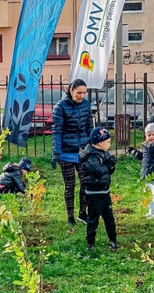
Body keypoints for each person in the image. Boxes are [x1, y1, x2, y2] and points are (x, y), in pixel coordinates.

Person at [52, 79, 94, 226]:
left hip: (83, 151)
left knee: (86, 183)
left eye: (84, 93)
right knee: (70, 185)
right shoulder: (60, 107)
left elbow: (90, 128)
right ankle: (70, 216)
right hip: (66, 152)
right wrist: (56, 152)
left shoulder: (86, 105)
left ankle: (83, 213)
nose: (81, 96)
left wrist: (93, 147)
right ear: (71, 91)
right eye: (79, 93)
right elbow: (57, 131)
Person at [80, 128, 119, 252]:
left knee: (110, 220)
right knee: (93, 220)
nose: (110, 144)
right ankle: (90, 243)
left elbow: (107, 172)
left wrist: (111, 165)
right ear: (100, 143)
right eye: (108, 141)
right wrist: (108, 165)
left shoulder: (104, 153)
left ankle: (113, 241)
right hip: (94, 193)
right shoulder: (91, 156)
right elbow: (98, 171)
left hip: (104, 192)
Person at [127, 122, 154, 218]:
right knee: (148, 194)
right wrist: (135, 153)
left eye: (153, 135)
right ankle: (151, 211)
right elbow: (144, 157)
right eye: (149, 135)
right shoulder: (146, 146)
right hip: (146, 174)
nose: (151, 137)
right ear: (146, 136)